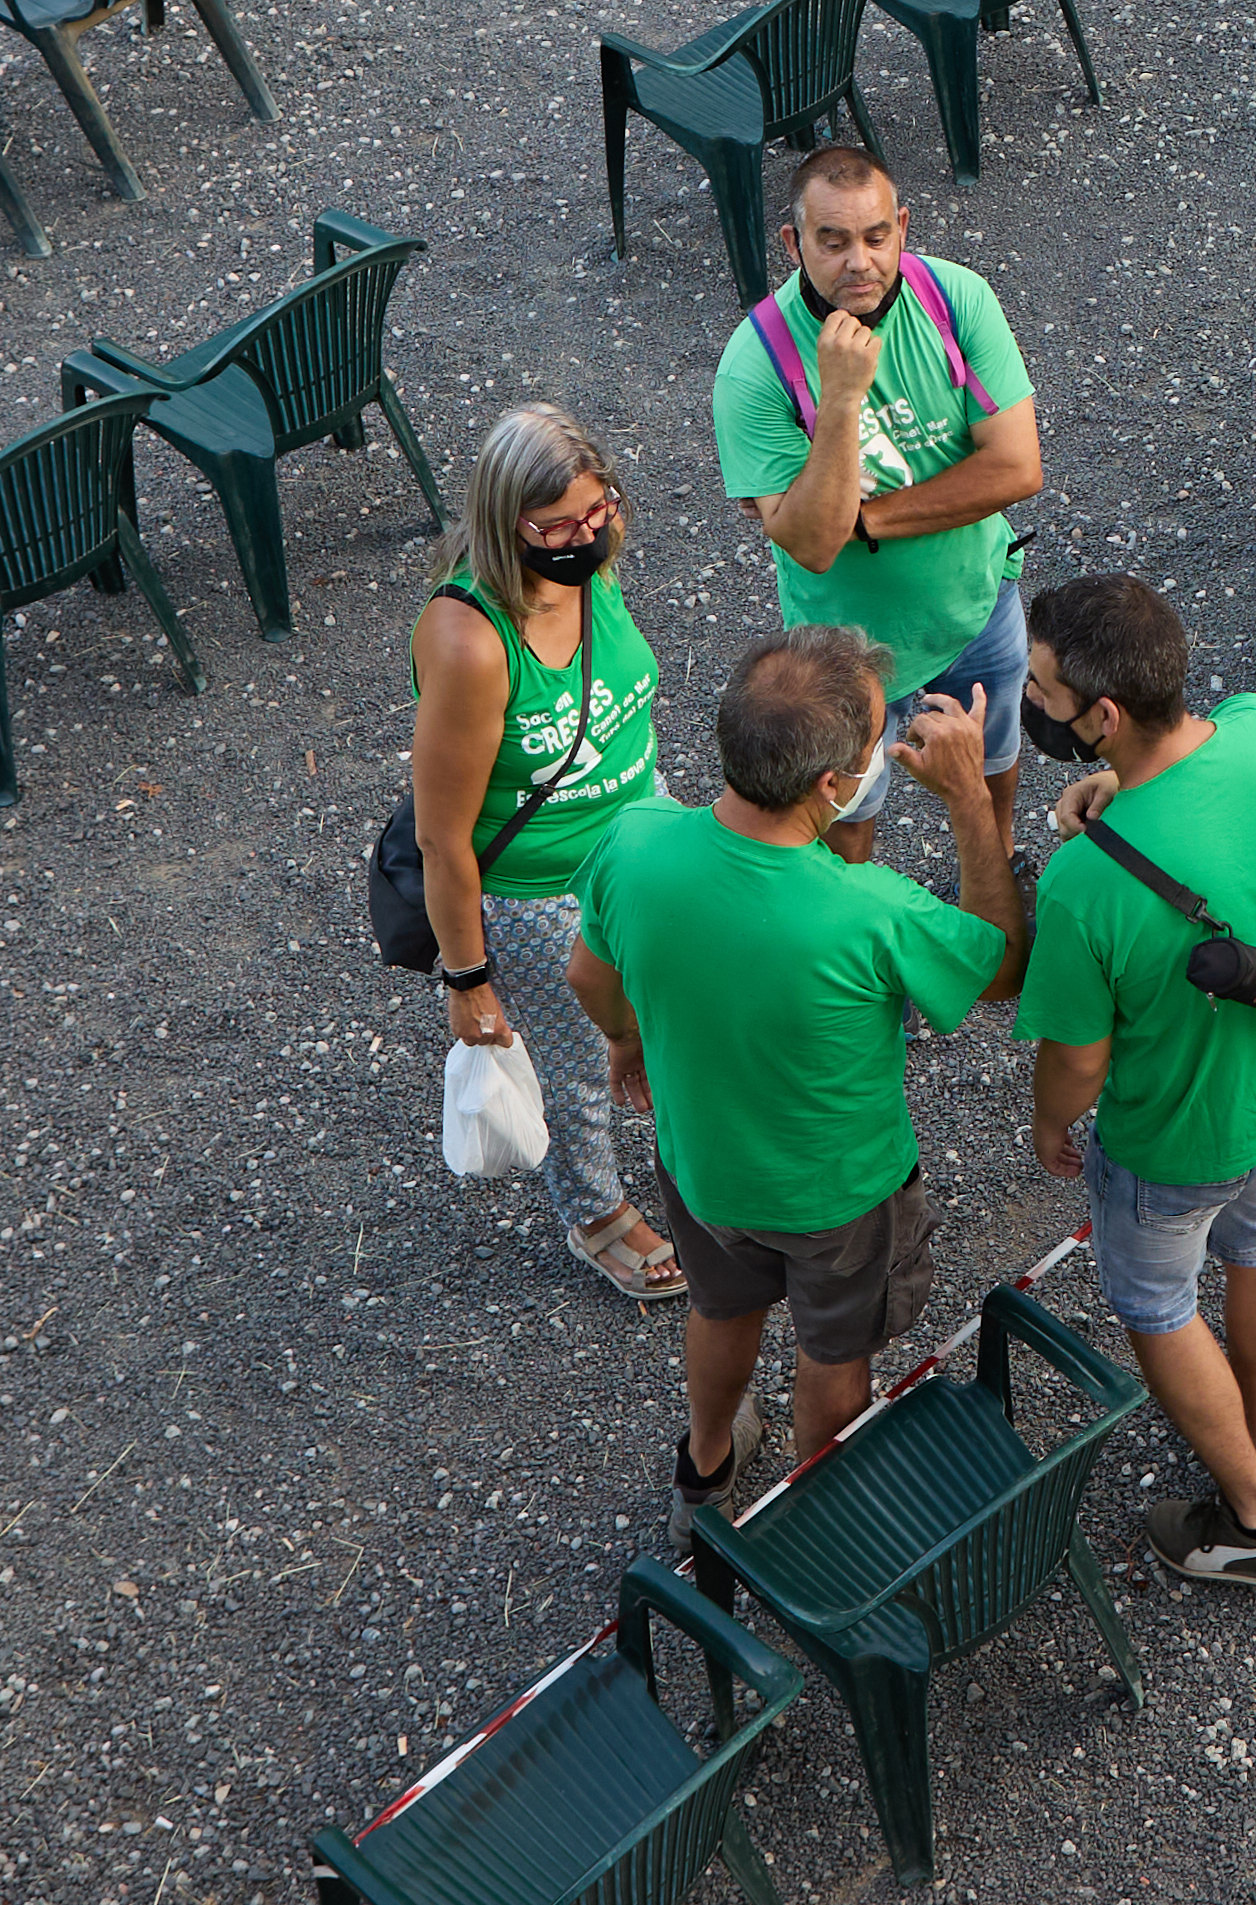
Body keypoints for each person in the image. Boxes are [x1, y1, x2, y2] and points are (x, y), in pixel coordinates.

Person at [568, 625, 1029, 1503]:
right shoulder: (870, 911)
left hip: (701, 1168)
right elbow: (1002, 970)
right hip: (839, 1195)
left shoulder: (633, 842)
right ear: (832, 784)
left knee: (721, 1309)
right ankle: (819, 1511)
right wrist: (971, 800)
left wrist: (629, 1043)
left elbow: (587, 972)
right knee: (833, 1350)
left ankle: (704, 1466)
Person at [1013, 572, 1256, 1588]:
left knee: (1158, 1305)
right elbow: (1199, 790)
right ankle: (1254, 1426)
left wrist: (1049, 1128)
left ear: (1102, 717)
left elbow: (1076, 1060)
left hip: (1177, 1139)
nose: (1032, 705)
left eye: (1042, 690)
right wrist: (1119, 787)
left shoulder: (1082, 886)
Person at [404, 406, 679, 1303]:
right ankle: (595, 1212)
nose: (585, 538)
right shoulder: (471, 641)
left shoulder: (596, 559)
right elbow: (442, 837)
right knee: (579, 1068)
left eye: (596, 514)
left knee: (681, 1002)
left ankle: (694, 1140)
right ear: (501, 523)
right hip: (546, 890)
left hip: (646, 836)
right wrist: (469, 982)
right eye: (556, 528)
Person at [712, 145, 1044, 882]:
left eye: (874, 237)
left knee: (992, 771)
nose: (858, 262)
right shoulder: (755, 363)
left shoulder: (957, 298)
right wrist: (839, 398)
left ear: (902, 227)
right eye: (831, 241)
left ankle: (989, 890)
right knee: (844, 818)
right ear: (794, 244)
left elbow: (1017, 468)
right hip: (844, 655)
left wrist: (868, 520)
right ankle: (860, 952)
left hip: (978, 607)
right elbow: (810, 545)